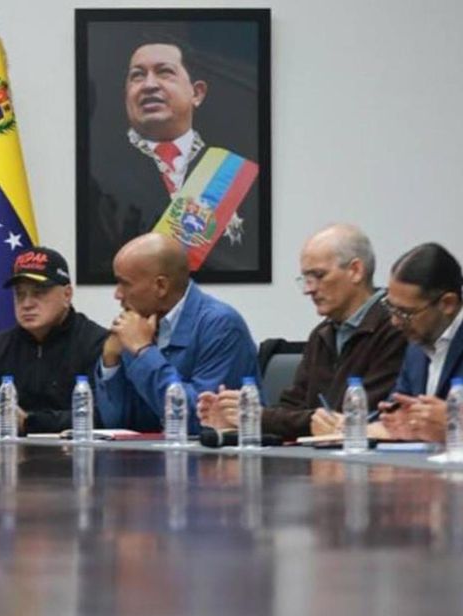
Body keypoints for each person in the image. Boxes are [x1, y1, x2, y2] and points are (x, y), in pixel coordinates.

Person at [198, 224, 406, 439]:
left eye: (319, 275)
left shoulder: (395, 327)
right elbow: (291, 407)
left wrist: (260, 417)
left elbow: (353, 417)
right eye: (306, 279)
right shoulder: (322, 334)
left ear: (355, 271)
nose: (309, 289)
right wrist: (241, 417)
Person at [86, 40, 259, 280]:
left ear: (197, 93)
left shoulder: (234, 172)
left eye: (164, 72)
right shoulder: (100, 174)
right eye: (137, 76)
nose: (149, 84)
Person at [95, 233, 259, 433]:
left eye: (125, 283)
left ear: (161, 286)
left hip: (213, 452)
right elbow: (117, 423)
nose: (117, 294)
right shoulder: (139, 324)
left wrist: (144, 351)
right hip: (150, 450)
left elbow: (202, 421)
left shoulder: (221, 325)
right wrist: (110, 361)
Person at [0, 247, 107, 435]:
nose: (27, 304)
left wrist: (29, 422)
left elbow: (101, 417)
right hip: (10, 452)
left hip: (75, 452)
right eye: (19, 294)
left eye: (39, 293)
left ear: (67, 295)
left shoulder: (96, 342)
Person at [373, 243, 463, 443]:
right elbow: (397, 412)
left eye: (405, 313)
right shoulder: (416, 346)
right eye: (391, 308)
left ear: (447, 303)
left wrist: (455, 426)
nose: (395, 321)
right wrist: (396, 422)